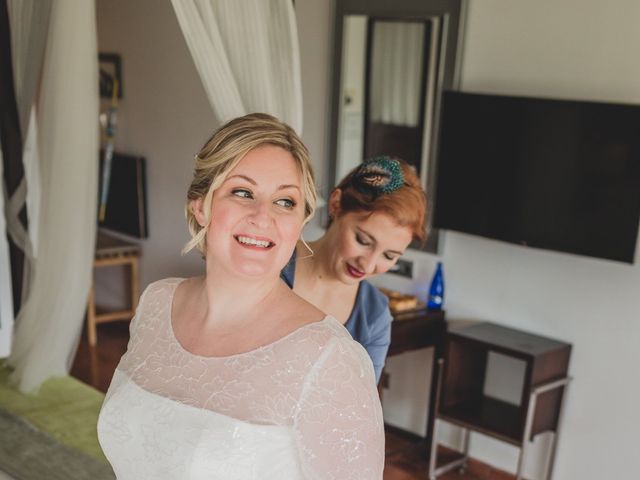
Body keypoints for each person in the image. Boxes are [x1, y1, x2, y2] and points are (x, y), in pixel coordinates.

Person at [97, 113, 384, 479]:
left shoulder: (330, 360)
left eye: (285, 202)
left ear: (300, 222)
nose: (262, 216)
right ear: (200, 206)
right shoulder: (156, 303)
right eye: (242, 192)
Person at [281, 156, 427, 382]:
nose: (367, 265)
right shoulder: (273, 263)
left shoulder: (374, 315)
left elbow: (361, 408)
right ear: (336, 204)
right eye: (363, 241)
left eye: (389, 256)